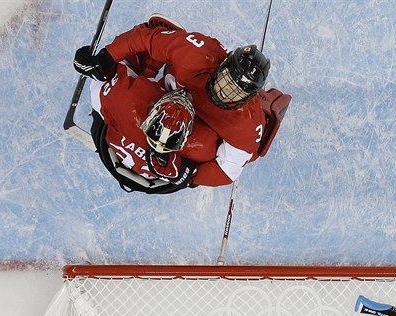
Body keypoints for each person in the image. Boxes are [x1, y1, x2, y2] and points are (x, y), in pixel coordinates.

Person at [74, 14, 271, 191]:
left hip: (115, 133)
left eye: (234, 92)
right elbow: (227, 171)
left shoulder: (124, 98)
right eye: (226, 80)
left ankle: (147, 65)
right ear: (223, 64)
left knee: (116, 75)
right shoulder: (244, 125)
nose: (223, 92)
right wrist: (188, 174)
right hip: (164, 173)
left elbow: (146, 37)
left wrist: (105, 59)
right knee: (208, 148)